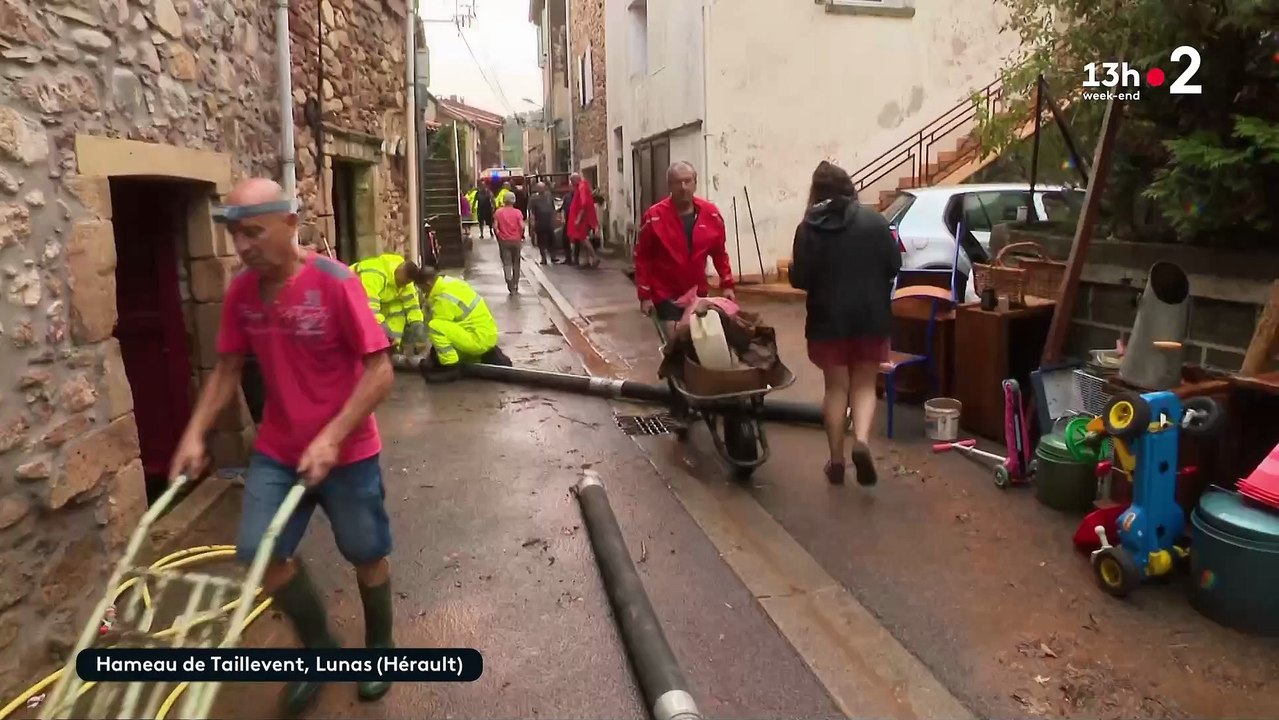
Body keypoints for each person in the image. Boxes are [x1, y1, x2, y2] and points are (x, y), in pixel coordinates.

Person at [170, 178, 397, 715]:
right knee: (260, 553)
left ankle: (381, 650)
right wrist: (195, 434)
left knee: (366, 552)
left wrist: (332, 436)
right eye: (234, 234)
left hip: (347, 452)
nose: (242, 246)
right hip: (278, 450)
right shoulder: (241, 293)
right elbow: (227, 369)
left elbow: (380, 371)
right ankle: (320, 652)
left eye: (253, 232)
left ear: (290, 224)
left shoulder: (335, 282)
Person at [789, 161, 900, 487]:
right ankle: (861, 441)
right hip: (870, 316)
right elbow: (894, 265)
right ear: (849, 187)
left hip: (828, 321)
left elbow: (802, 278)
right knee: (864, 385)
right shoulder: (875, 221)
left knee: (836, 388)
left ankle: (836, 461)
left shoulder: (807, 228)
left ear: (816, 191)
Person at [634, 161, 736, 335]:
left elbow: (719, 253)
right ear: (669, 185)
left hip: (697, 294)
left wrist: (727, 284)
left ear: (695, 183)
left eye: (688, 181)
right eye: (677, 182)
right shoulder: (654, 217)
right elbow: (643, 257)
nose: (683, 187)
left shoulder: (711, 214)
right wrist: (645, 296)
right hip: (665, 295)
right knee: (676, 341)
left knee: (699, 342)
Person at [417, 266, 510, 382]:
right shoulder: (451, 284)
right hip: (486, 335)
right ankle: (489, 356)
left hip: (477, 339)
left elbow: (440, 332)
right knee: (446, 338)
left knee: (435, 326)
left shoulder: (442, 298)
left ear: (428, 283)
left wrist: (432, 360)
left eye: (422, 289)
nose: (423, 293)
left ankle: (451, 368)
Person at [350, 252, 430, 352]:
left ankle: (392, 349)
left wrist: (418, 329)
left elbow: (413, 306)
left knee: (398, 306)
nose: (402, 286)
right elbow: (370, 310)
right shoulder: (374, 274)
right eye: (401, 283)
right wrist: (387, 333)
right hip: (349, 299)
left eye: (405, 284)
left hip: (378, 303)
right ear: (399, 271)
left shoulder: (405, 279)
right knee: (368, 323)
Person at [566, 172, 601, 268]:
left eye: (572, 181)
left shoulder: (582, 187)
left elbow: (584, 204)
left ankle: (594, 258)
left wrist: (578, 218)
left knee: (583, 238)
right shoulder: (582, 186)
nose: (572, 183)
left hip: (582, 219)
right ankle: (587, 260)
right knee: (583, 239)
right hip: (583, 217)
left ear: (576, 179)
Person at [493, 193, 526, 294]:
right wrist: (520, 235)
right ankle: (515, 283)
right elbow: (522, 226)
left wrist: (499, 236)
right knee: (516, 263)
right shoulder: (518, 213)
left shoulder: (498, 212)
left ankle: (509, 282)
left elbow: (495, 227)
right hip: (516, 240)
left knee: (507, 262)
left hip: (504, 241)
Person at [528, 181, 560, 265]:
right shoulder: (534, 198)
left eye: (542, 187)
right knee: (541, 241)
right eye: (539, 188)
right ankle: (543, 258)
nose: (541, 189)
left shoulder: (549, 195)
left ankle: (553, 257)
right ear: (537, 188)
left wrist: (555, 218)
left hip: (549, 222)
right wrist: (532, 221)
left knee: (552, 240)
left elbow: (553, 208)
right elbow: (531, 211)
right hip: (540, 222)